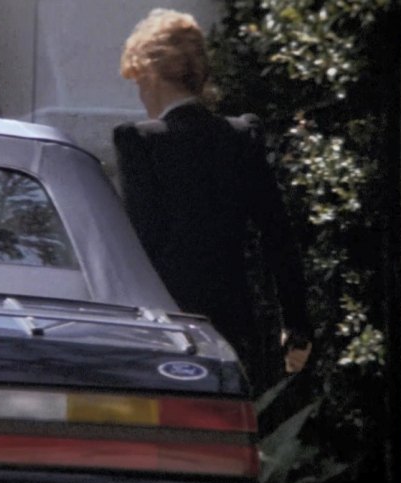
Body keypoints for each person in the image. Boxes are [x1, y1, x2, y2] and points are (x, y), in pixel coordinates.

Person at [114, 8, 312, 392]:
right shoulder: (241, 135)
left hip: (168, 323)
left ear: (149, 75)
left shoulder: (139, 140)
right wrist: (297, 323)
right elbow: (278, 236)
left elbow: (142, 243)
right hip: (236, 322)